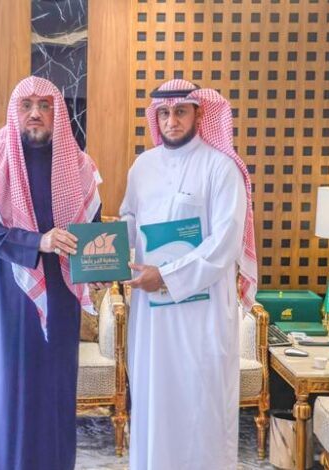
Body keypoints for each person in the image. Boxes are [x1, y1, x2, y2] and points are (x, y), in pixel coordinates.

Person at [0, 76, 102, 470]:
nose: (35, 113)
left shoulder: (78, 165)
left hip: (59, 296)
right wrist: (37, 242)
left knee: (53, 387)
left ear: (58, 112)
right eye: (27, 105)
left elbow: (92, 229)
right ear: (15, 111)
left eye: (44, 105)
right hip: (6, 296)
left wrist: (100, 267)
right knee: (7, 386)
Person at [121, 79, 258, 469]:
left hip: (202, 313)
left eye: (180, 111)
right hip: (152, 317)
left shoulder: (221, 168)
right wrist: (99, 253)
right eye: (164, 113)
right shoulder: (143, 166)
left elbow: (224, 243)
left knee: (201, 403)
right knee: (154, 399)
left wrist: (166, 276)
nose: (172, 121)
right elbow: (130, 221)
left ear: (199, 114)